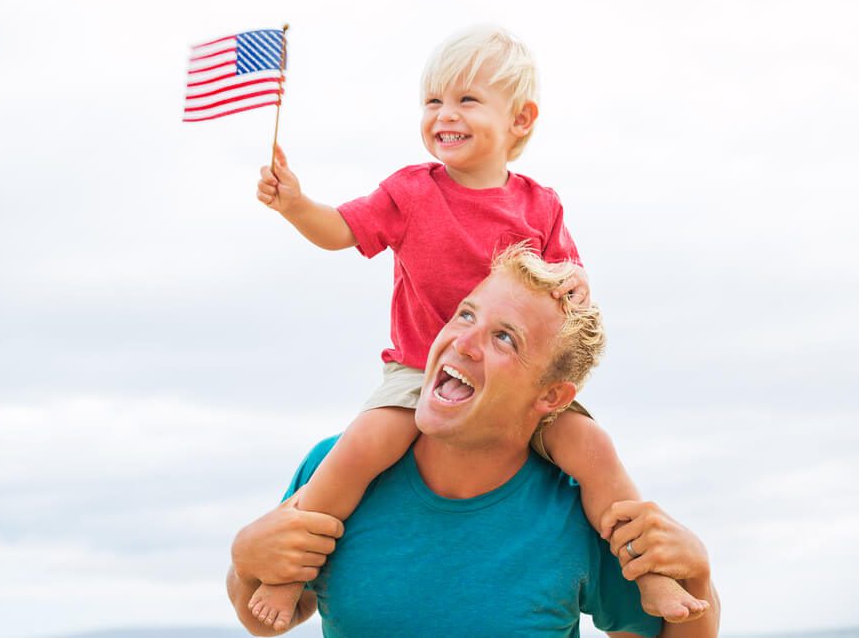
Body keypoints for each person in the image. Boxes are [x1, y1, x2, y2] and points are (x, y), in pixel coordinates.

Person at [249, 25, 702, 629]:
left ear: (520, 119)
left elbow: (566, 281)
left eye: (466, 100)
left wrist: (579, 283)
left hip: (513, 387)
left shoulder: (540, 205)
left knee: (593, 450)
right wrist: (296, 206)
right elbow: (342, 232)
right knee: (359, 450)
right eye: (432, 101)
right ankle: (288, 575)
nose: (444, 115)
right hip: (417, 369)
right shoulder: (410, 191)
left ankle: (651, 573)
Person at [227, 246, 720, 636]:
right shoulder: (338, 468)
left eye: (505, 338)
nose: (462, 342)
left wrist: (697, 575)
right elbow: (270, 618)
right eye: (466, 315)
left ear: (551, 395)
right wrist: (245, 561)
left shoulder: (577, 508)